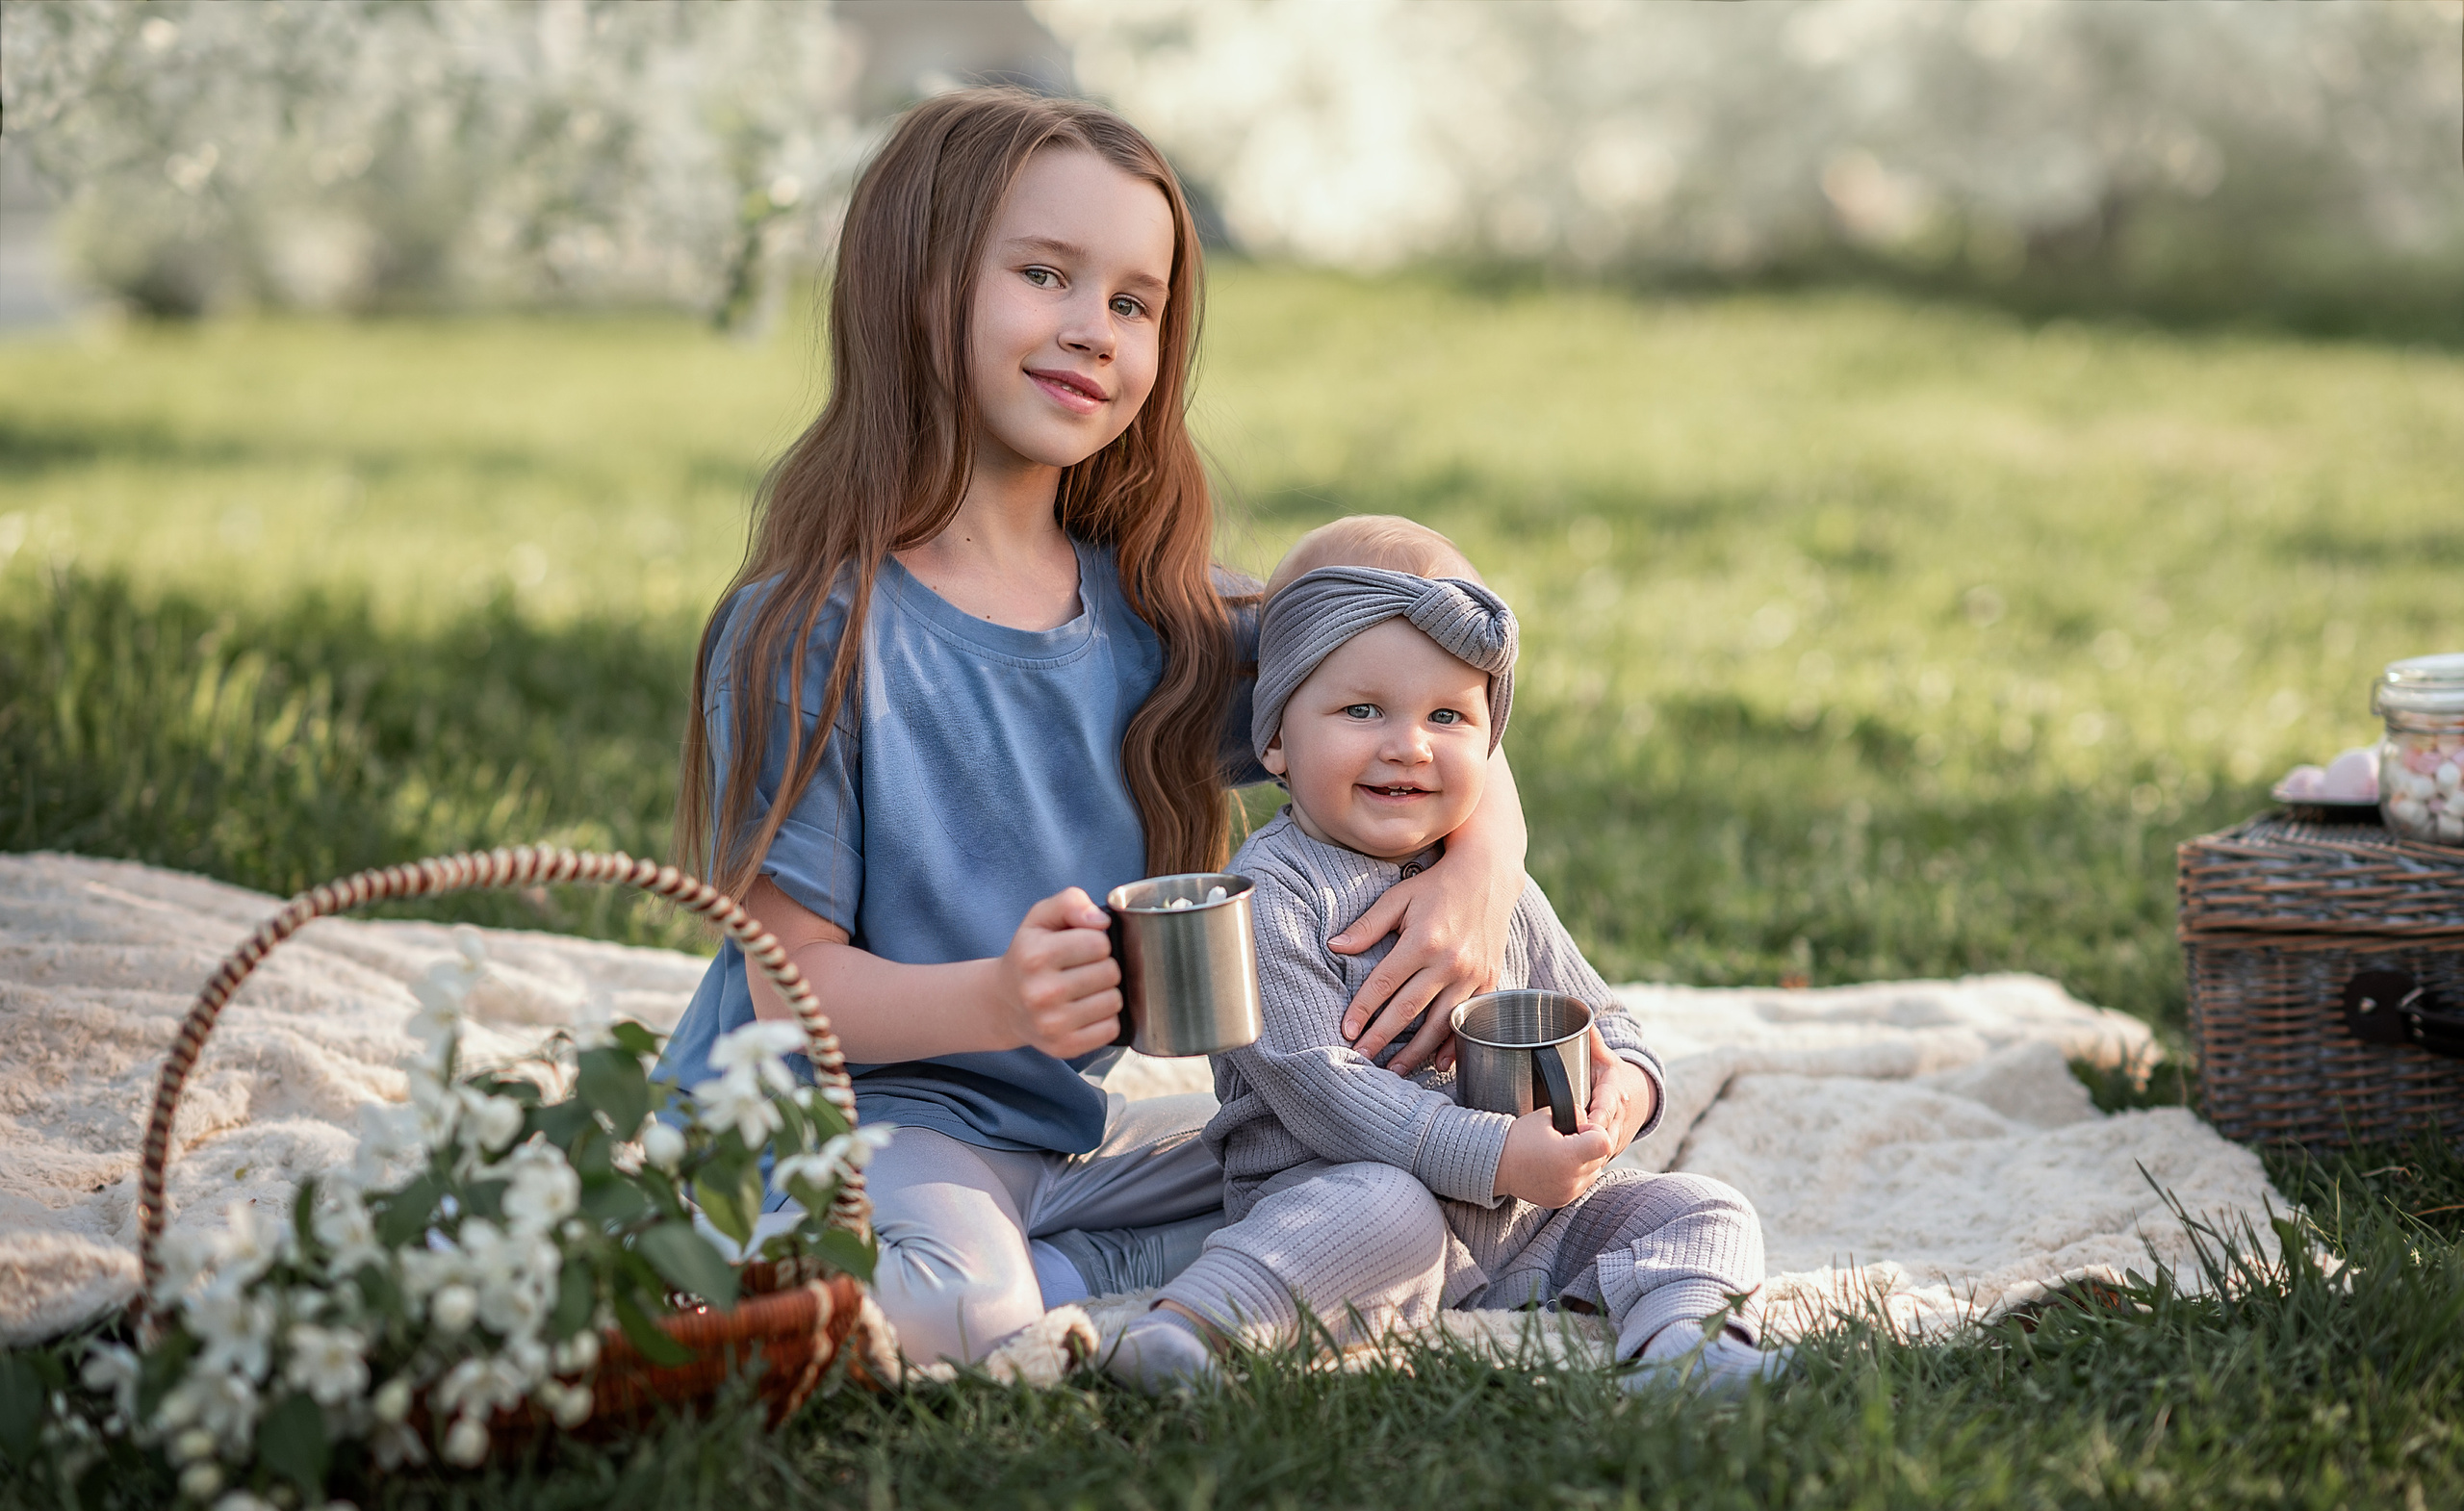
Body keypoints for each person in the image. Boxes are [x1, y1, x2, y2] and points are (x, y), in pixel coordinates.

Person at [656, 94, 1537, 1369]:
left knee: (1396, 1198)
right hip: (827, 1125)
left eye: (1134, 302)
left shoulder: (1158, 620)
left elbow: (1428, 667)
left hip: (1049, 1153)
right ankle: (873, 1279)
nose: (1094, 330)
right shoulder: (809, 631)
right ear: (918, 285)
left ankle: (1053, 1277)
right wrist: (1000, 996)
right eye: (1045, 275)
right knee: (955, 1309)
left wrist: (1478, 867)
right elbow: (788, 999)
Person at [1108, 517, 1788, 1396]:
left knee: (1698, 1205)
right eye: (1362, 710)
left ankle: (1687, 1350)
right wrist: (1500, 1155)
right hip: (1343, 1201)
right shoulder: (1274, 891)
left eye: (1447, 716)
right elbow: (1322, 1092)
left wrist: (1629, 1091)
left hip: (1522, 1220)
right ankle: (1192, 1332)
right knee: (1383, 1211)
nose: (1409, 745)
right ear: (1275, 738)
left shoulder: (1486, 882)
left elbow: (1605, 1018)